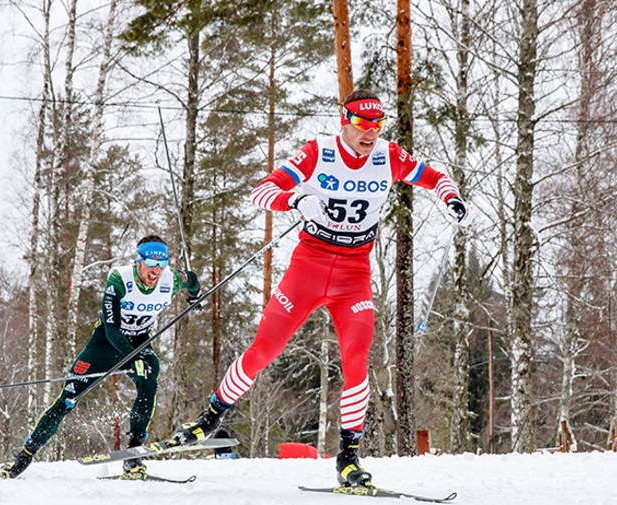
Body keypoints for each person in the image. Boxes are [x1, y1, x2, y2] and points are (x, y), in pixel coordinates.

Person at [162, 89, 471, 486]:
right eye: (362, 123)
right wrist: (296, 199)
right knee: (264, 350)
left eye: (377, 125)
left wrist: (450, 198)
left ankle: (348, 457)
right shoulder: (319, 152)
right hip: (309, 267)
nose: (370, 132)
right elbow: (262, 192)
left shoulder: (388, 156)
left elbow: (435, 177)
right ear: (345, 121)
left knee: (357, 361)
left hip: (354, 274)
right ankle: (209, 418)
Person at [0, 235, 201, 479]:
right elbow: (112, 329)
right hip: (105, 342)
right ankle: (24, 455)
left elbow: (193, 280)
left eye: (162, 264)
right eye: (150, 262)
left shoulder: (171, 279)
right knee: (69, 397)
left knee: (150, 377)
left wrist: (195, 298)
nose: (156, 270)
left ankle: (133, 454)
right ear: (139, 261)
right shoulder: (119, 279)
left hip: (138, 342)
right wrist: (131, 357)